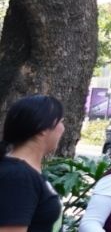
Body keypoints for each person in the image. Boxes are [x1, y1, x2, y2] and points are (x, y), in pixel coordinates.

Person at [0, 95, 65, 232]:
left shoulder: (25, 173)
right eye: (61, 122)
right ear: (42, 129)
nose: (63, 129)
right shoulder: (18, 177)